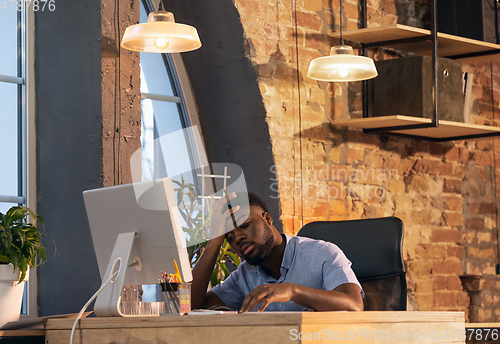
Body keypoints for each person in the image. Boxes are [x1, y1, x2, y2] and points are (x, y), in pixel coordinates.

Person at [191, 191, 364, 312]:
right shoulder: (243, 277)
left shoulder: (322, 254)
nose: (237, 238)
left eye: (244, 225)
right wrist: (214, 242)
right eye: (229, 238)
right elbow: (191, 307)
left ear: (267, 218)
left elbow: (354, 305)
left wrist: (292, 291)